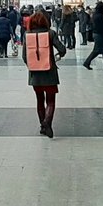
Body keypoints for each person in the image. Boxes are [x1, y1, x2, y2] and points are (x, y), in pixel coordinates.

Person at [24, 9, 66, 138]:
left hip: (35, 74)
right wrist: (56, 57)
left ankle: (43, 126)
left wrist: (33, 65)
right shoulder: (51, 33)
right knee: (51, 101)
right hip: (49, 72)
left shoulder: (28, 35)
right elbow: (62, 49)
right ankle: (47, 122)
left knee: (39, 100)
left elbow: (25, 57)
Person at [83, 2, 103, 70]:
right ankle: (87, 62)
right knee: (97, 50)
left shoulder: (95, 15)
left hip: (97, 34)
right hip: (100, 35)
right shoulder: (100, 16)